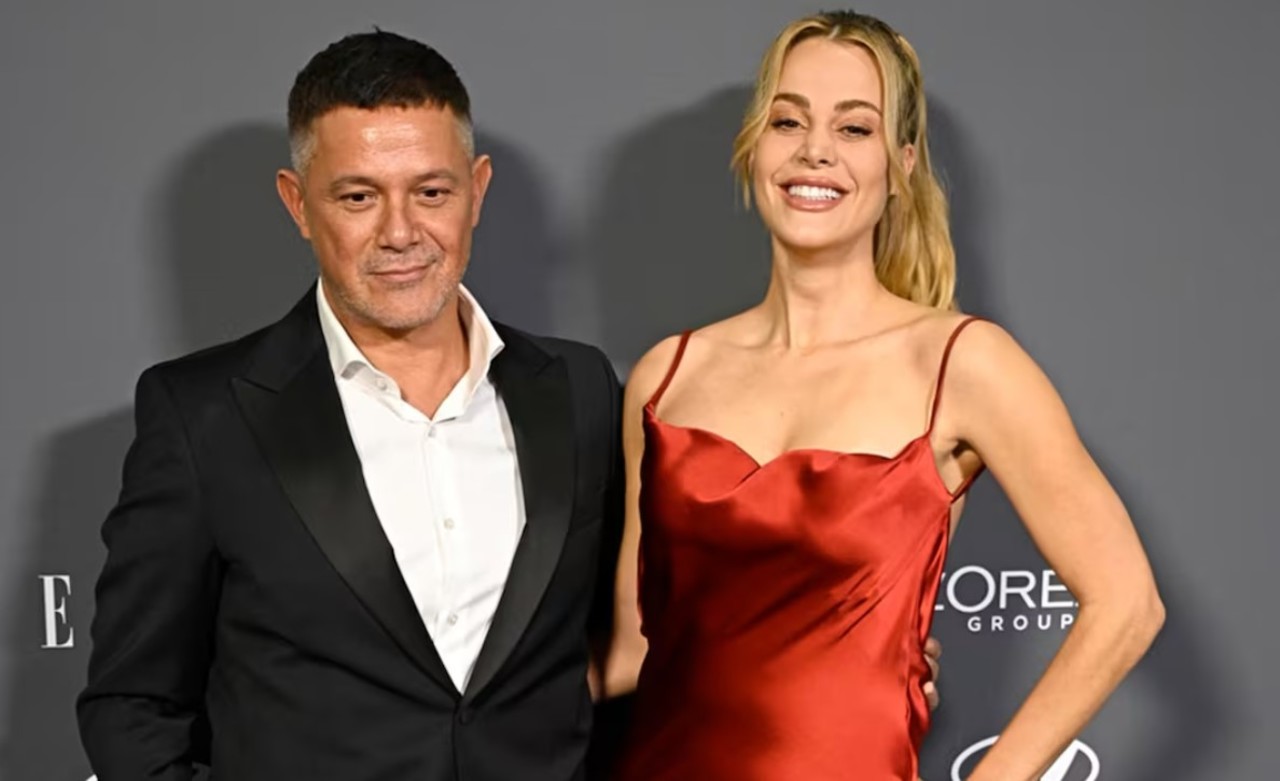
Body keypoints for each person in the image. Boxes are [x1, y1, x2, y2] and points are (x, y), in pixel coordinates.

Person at [602, 10, 1164, 781]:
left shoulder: (962, 363)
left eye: (854, 128)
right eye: (788, 120)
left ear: (901, 162)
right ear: (754, 147)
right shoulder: (667, 375)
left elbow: (1126, 602)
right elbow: (632, 649)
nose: (815, 150)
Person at [76, 31, 625, 781]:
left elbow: (618, 648)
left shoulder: (579, 387)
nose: (400, 233)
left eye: (431, 192)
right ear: (298, 203)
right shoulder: (202, 416)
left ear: (477, 190)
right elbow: (131, 706)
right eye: (359, 197)